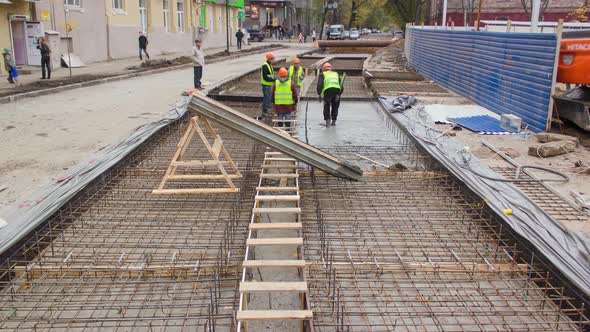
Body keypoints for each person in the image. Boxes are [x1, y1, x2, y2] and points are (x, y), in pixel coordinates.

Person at [316, 62, 343, 127]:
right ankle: (333, 122)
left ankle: (328, 123)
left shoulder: (322, 74)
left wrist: (319, 94)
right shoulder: (336, 74)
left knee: (327, 106)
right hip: (337, 91)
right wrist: (339, 94)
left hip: (328, 91)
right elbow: (341, 85)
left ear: (323, 69)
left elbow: (320, 85)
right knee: (335, 106)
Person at [259, 52, 275, 119]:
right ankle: (265, 112)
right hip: (266, 84)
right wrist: (272, 79)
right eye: (273, 58)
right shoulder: (265, 65)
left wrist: (272, 79)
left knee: (268, 98)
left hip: (268, 84)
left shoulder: (269, 65)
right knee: (266, 98)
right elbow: (265, 77)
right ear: (270, 59)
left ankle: (266, 111)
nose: (274, 59)